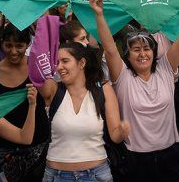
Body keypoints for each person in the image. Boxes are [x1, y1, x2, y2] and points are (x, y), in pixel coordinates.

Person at [90, 0, 179, 182]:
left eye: (147, 49)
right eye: (136, 50)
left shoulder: (165, 68)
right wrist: (99, 14)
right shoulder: (122, 76)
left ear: (154, 53)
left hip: (170, 156)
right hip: (135, 159)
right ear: (128, 55)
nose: (142, 54)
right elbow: (110, 48)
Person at [37, 41, 129, 182]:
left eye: (65, 61)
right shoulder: (53, 90)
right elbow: (36, 71)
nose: (59, 67)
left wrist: (122, 131)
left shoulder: (103, 89)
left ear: (82, 63)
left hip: (96, 175)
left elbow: (115, 136)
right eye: (57, 63)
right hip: (56, 175)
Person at [0, 24, 51, 182]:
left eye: (19, 46)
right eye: (8, 45)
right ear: (1, 43)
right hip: (4, 155)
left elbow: (48, 95)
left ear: (27, 44)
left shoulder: (36, 66)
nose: (13, 51)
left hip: (39, 151)